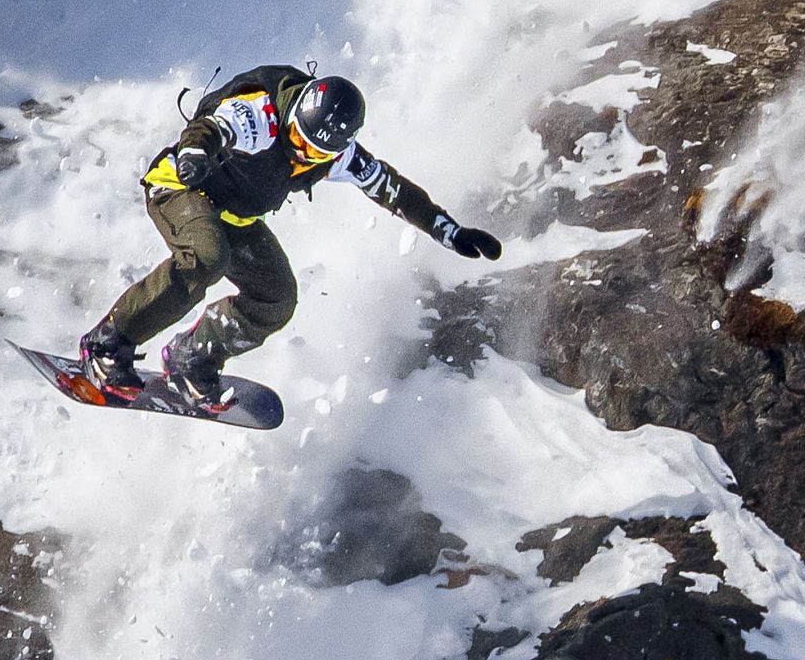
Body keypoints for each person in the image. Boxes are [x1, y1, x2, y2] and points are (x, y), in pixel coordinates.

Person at [78, 64, 502, 406]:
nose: (299, 149)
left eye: (314, 151)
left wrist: (448, 230)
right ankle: (109, 342)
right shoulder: (260, 115)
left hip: (234, 216)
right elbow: (211, 129)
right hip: (182, 188)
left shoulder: (338, 157)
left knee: (277, 298)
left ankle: (194, 356)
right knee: (207, 258)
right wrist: (194, 153)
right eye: (296, 134)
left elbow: (392, 190)